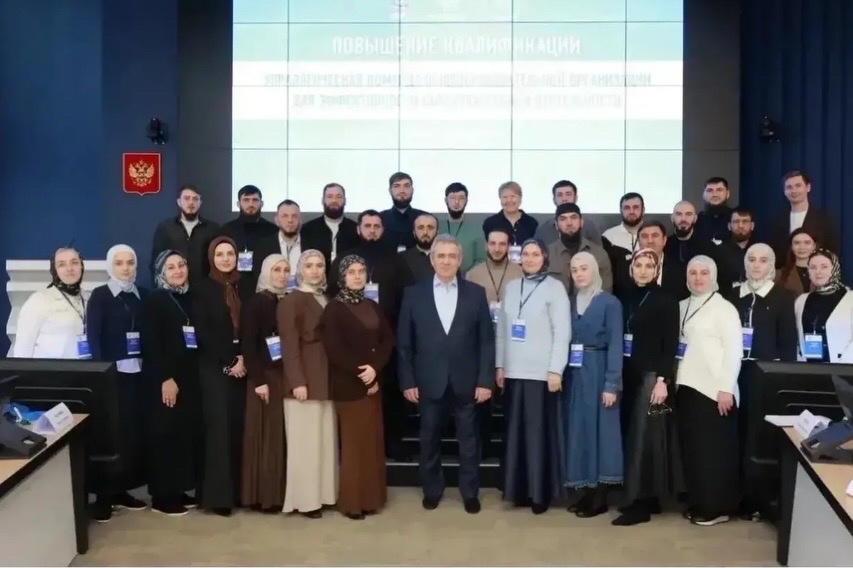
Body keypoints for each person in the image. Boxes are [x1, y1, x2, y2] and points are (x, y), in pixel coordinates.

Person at [397, 234, 496, 514]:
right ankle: (432, 490)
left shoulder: (476, 293)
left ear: (460, 260)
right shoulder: (413, 294)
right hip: (428, 381)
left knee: (469, 441)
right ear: (432, 260)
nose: (446, 261)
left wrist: (485, 380)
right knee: (429, 440)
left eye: (452, 256)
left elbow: (486, 341)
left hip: (467, 381)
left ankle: (470, 493)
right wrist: (407, 380)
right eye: (441, 256)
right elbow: (404, 343)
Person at [495, 239, 570, 514]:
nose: (529, 258)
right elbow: (502, 330)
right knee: (515, 436)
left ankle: (540, 494)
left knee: (538, 436)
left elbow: (562, 332)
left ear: (544, 258)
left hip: (541, 374)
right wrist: (500, 365)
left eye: (535, 254)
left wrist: (556, 369)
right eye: (525, 254)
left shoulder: (555, 288)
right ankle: (517, 491)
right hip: (513, 371)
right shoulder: (511, 287)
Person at [321, 254, 395, 519]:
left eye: (361, 271)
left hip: (373, 384)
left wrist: (375, 370)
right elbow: (335, 350)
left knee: (372, 444)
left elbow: (387, 340)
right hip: (349, 387)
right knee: (354, 447)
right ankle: (353, 503)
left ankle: (371, 499)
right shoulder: (334, 309)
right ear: (342, 277)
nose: (357, 276)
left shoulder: (372, 305)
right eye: (351, 272)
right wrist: (362, 374)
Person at [614, 248, 681, 526]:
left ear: (657, 270)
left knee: (645, 439)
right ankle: (647, 497)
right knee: (636, 438)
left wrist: (663, 380)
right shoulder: (624, 296)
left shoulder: (666, 299)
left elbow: (670, 344)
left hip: (652, 378)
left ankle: (639, 504)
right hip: (628, 376)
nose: (643, 270)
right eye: (638, 265)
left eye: (649, 266)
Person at [676, 255, 742, 526]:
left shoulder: (724, 308)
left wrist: (726, 388)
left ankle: (717, 508)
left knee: (714, 453)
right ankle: (700, 502)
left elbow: (734, 351)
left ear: (713, 276)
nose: (698, 278)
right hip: (686, 387)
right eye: (693, 273)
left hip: (714, 391)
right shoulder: (682, 305)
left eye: (704, 273)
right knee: (695, 452)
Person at [733, 243, 797, 520]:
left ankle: (760, 499)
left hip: (767, 377)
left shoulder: (783, 297)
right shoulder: (733, 295)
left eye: (762, 260)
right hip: (736, 374)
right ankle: (737, 495)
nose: (756, 265)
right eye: (751, 259)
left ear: (771, 265)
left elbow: (788, 344)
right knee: (738, 433)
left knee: (760, 437)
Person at [85, 244, 149, 520]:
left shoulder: (142, 295)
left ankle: (122, 489)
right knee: (109, 435)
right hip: (111, 377)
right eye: (119, 263)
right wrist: (100, 376)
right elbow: (93, 338)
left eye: (130, 262)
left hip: (138, 375)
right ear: (110, 266)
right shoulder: (100, 296)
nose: (125, 268)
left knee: (130, 435)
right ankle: (104, 496)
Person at [142, 250, 204, 517]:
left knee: (181, 435)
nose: (178, 270)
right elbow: (151, 343)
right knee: (165, 435)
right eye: (171, 267)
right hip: (166, 378)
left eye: (181, 265)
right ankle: (162, 496)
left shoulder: (188, 297)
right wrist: (166, 378)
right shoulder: (156, 300)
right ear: (161, 273)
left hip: (187, 377)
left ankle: (177, 489)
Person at [564, 252, 624, 518]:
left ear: (594, 271)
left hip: (599, 371)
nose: (579, 274)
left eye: (583, 268)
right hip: (575, 374)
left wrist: (611, 384)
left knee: (602, 432)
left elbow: (616, 345)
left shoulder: (610, 303)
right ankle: (585, 490)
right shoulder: (569, 302)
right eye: (574, 269)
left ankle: (600, 495)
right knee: (580, 430)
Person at [279, 249, 337, 517]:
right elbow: (289, 344)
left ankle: (324, 495)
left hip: (325, 378)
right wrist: (297, 381)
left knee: (323, 441)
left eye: (319, 265)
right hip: (305, 381)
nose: (315, 270)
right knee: (305, 445)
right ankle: (306, 500)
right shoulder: (292, 301)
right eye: (309, 266)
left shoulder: (325, 297)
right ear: (300, 270)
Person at [192, 236, 247, 516]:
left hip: (242, 367)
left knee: (237, 430)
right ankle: (218, 498)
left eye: (230, 254)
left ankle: (238, 493)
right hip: (214, 368)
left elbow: (250, 326)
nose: (226, 259)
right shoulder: (202, 288)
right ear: (211, 258)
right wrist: (230, 361)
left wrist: (243, 358)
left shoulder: (242, 285)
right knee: (219, 433)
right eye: (220, 254)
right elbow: (203, 332)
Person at [240, 254, 290, 512]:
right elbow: (248, 344)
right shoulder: (256, 302)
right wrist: (259, 380)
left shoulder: (286, 300)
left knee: (278, 436)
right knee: (265, 436)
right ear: (266, 273)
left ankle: (277, 494)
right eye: (276, 270)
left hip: (282, 376)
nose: (281, 275)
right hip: (263, 378)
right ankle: (262, 496)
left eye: (285, 270)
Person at [13, 247, 89, 359]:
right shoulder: (39, 300)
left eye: (74, 262)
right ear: (54, 270)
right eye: (62, 264)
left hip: (84, 368)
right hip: (48, 370)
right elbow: (22, 349)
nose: (69, 268)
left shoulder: (89, 299)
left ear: (81, 266)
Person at [795, 249, 853, 363]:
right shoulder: (801, 301)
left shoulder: (850, 299)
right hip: (807, 369)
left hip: (844, 369)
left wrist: (841, 365)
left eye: (824, 267)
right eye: (813, 267)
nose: (818, 272)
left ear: (834, 269)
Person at [775, 228, 818, 296]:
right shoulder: (778, 275)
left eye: (807, 243)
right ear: (791, 247)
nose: (802, 247)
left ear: (814, 246)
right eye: (797, 243)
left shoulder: (827, 274)